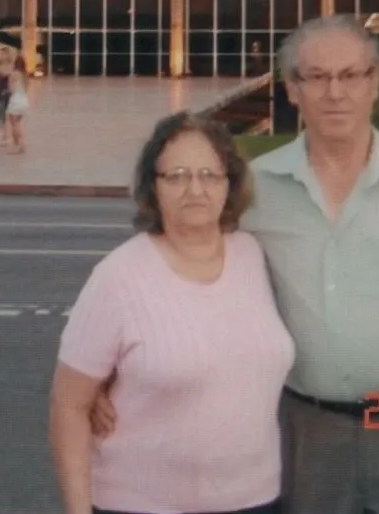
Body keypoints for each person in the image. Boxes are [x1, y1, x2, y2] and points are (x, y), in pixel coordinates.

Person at [91, 15, 379, 514]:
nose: (336, 92)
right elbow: (185, 273)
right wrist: (110, 371)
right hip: (304, 433)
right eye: (316, 76)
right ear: (292, 89)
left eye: (351, 75)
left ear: (375, 82)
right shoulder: (255, 189)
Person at [49, 113, 294, 514]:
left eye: (209, 175)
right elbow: (69, 405)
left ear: (229, 184)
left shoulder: (255, 255)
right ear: (153, 186)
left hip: (256, 499)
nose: (194, 189)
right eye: (176, 176)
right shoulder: (119, 276)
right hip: (142, 504)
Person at [2, 53, 31, 154]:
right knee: (17, 123)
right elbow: (27, 88)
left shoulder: (13, 74)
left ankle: (20, 144)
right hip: (24, 100)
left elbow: (11, 89)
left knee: (14, 124)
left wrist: (6, 91)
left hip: (15, 100)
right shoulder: (25, 75)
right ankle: (18, 144)